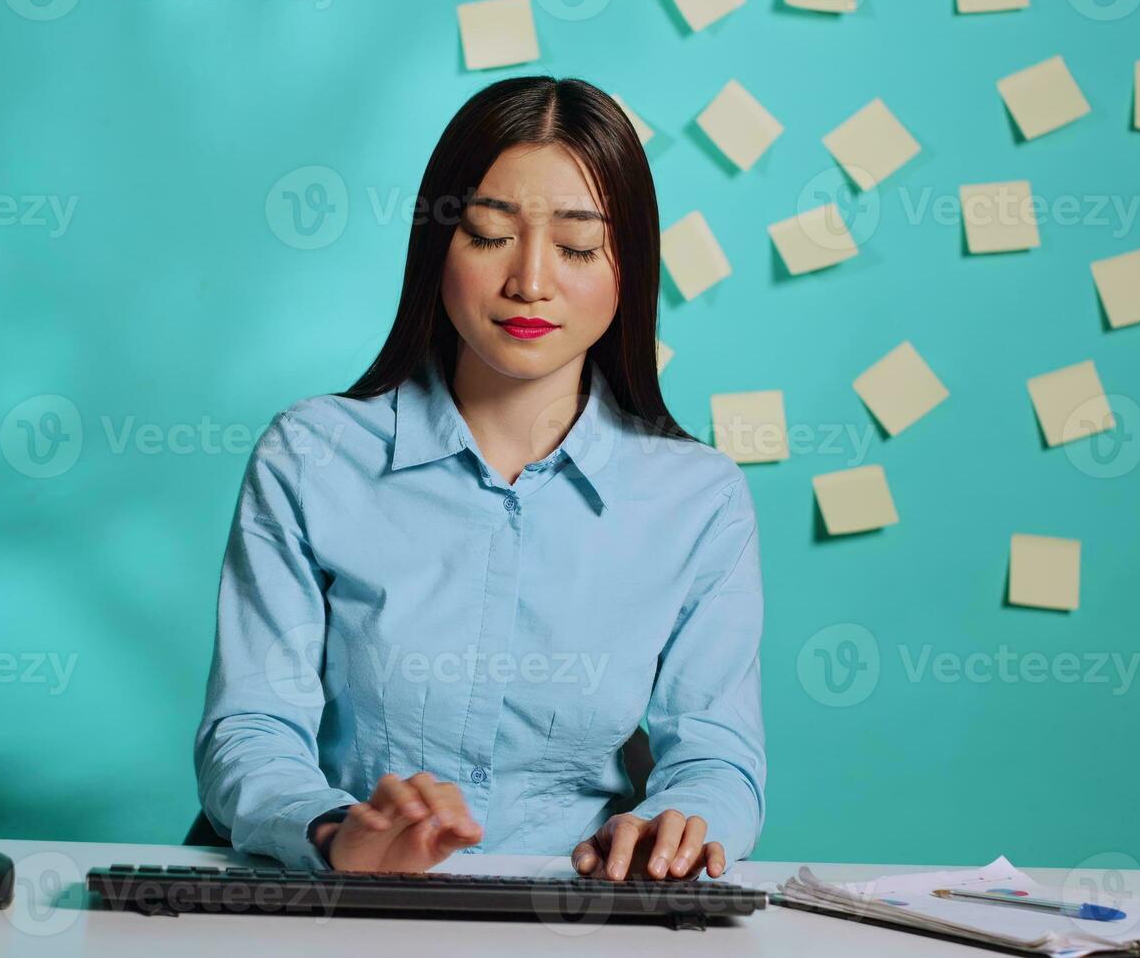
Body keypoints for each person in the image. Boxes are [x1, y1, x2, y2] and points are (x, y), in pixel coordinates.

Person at [195, 75, 765, 882]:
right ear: (438, 249)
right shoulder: (312, 457)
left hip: (580, 915)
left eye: (576, 247)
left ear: (629, 269)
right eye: (491, 235)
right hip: (341, 909)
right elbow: (250, 728)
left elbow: (717, 757)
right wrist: (333, 833)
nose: (530, 282)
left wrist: (672, 828)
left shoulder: (698, 499)